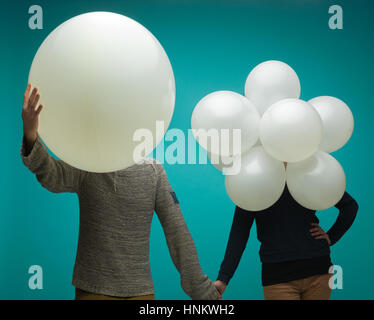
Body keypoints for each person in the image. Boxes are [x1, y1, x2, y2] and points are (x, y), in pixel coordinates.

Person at [21, 83, 220, 300]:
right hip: (93, 290)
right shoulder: (89, 164)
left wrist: (202, 291)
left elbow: (177, 232)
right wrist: (31, 133)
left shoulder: (153, 171)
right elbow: (51, 174)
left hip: (140, 293)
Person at [214, 163, 358, 300]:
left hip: (318, 270)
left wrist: (331, 237)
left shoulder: (310, 174)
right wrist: (223, 278)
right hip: (279, 277)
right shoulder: (253, 181)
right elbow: (239, 233)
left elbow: (350, 206)